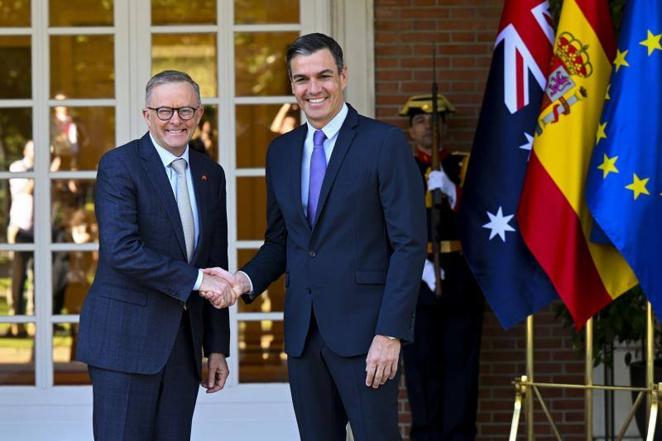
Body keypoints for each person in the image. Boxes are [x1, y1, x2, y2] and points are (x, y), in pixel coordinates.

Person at [206, 33, 426, 440]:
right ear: (292, 86)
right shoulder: (282, 152)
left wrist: (390, 332)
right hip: (305, 337)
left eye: (323, 76)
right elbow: (281, 242)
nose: (313, 88)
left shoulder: (385, 144)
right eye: (302, 79)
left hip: (367, 337)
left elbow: (409, 245)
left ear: (342, 76)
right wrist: (242, 281)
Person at [76, 70, 237, 441]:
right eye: (164, 111)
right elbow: (122, 250)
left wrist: (216, 347)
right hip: (124, 342)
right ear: (146, 115)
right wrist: (198, 281)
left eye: (185, 110)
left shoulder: (210, 174)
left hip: (183, 347)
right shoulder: (120, 165)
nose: (175, 120)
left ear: (199, 115)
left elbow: (214, 258)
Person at [399, 95, 484, 440]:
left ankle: (459, 435)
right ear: (410, 129)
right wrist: (418, 265)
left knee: (461, 366)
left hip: (460, 276)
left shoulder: (464, 166)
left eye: (436, 121)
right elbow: (385, 224)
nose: (429, 128)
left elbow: (484, 216)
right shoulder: (400, 166)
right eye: (421, 121)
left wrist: (453, 191)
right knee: (420, 369)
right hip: (415, 281)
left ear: (445, 127)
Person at [6, 140, 35, 337]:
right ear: (25, 150)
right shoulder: (17, 167)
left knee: (37, 280)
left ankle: (35, 322)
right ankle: (15, 323)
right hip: (20, 229)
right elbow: (24, 191)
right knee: (18, 278)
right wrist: (45, 171)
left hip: (39, 231)